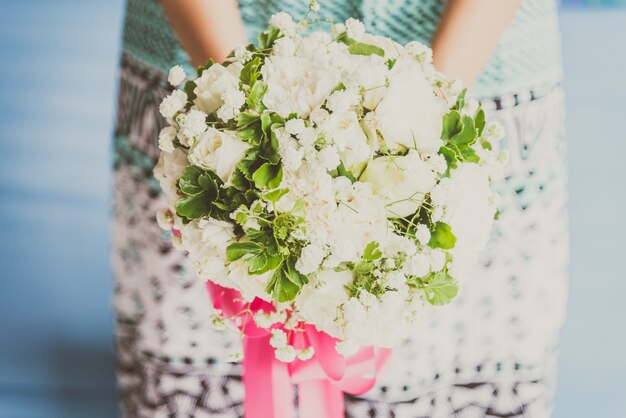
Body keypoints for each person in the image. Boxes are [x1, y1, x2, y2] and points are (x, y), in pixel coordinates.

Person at [112, 0, 567, 416]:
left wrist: (429, 122)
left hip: (476, 67)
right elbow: (226, 115)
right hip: (207, 73)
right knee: (204, 361)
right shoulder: (213, 123)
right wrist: (239, 119)